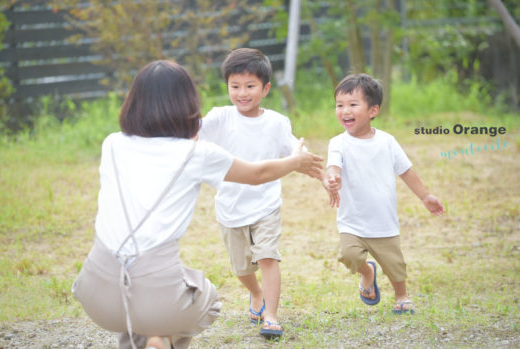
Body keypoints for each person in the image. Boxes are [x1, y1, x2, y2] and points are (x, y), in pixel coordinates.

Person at [71, 60, 323, 349]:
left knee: (137, 325)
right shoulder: (196, 154)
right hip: (157, 296)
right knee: (208, 300)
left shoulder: (112, 144)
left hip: (95, 294)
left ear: (133, 102)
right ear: (187, 103)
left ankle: (151, 338)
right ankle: (163, 337)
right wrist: (295, 162)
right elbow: (258, 174)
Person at [198, 48, 302, 339]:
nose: (242, 93)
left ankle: (271, 315)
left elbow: (296, 154)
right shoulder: (220, 118)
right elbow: (192, 134)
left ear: (265, 88)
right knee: (242, 268)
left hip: (267, 203)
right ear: (227, 87)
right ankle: (255, 293)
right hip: (230, 207)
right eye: (235, 86)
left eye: (250, 86)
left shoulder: (278, 123)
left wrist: (322, 173)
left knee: (268, 257)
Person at [324, 73, 445, 315]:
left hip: (383, 220)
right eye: (340, 105)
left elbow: (406, 172)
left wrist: (425, 196)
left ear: (373, 110)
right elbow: (333, 165)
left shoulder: (387, 142)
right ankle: (367, 272)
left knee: (395, 265)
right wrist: (333, 178)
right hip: (352, 220)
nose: (344, 111)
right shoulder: (338, 142)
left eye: (352, 104)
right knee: (349, 255)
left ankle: (402, 296)